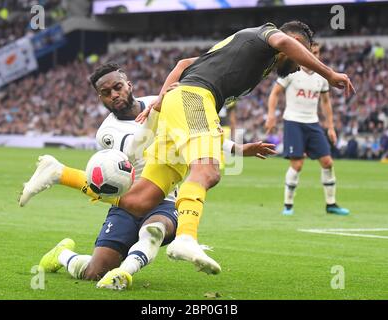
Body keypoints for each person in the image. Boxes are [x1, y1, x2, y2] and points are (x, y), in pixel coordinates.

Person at [92, 21, 355, 287]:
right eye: (304, 56)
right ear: (295, 43)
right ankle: (186, 238)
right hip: (194, 97)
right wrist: (329, 74)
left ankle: (62, 174)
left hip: (184, 101)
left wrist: (162, 99)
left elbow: (184, 63)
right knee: (207, 171)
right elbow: (284, 42)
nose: (301, 65)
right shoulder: (267, 35)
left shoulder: (253, 56)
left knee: (140, 199)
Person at [20, 63, 276, 290]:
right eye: (106, 93)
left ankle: (125, 271)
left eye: (118, 87)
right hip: (129, 200)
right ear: (100, 98)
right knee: (94, 272)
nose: (114, 95)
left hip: (166, 197)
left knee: (154, 229)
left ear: (128, 84)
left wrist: (238, 149)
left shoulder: (164, 101)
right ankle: (63, 254)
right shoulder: (107, 133)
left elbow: (199, 131)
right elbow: (116, 175)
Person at [265, 42, 350, 216]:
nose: (315, 56)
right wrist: (271, 115)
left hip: (313, 123)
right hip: (293, 121)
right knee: (297, 164)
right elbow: (274, 93)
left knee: (328, 162)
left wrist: (331, 127)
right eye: (312, 52)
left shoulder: (322, 76)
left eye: (317, 52)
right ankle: (288, 205)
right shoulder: (291, 71)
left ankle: (331, 204)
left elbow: (326, 102)